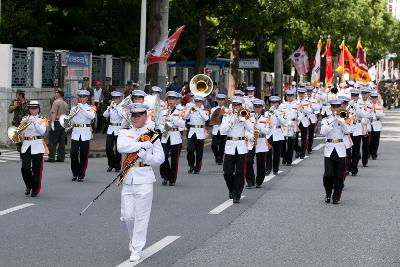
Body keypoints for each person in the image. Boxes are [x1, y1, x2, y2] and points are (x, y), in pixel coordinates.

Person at [117, 103, 164, 262]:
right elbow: (121, 147)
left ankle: (137, 248)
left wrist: (146, 156)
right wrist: (142, 144)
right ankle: (133, 240)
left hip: (144, 178)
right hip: (128, 177)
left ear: (145, 116)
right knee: (127, 216)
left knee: (141, 216)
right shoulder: (124, 132)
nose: (135, 118)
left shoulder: (152, 134)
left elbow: (159, 159)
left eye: (139, 115)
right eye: (133, 115)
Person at [220, 96, 253, 203]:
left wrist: (245, 120)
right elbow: (222, 131)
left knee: (240, 172)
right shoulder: (227, 116)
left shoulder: (244, 115)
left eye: (238, 105)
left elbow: (251, 129)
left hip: (241, 147)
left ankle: (237, 194)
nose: (236, 107)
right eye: (235, 105)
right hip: (230, 146)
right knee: (227, 172)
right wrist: (233, 119)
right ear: (232, 106)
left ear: (241, 106)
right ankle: (232, 189)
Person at [320, 99, 351, 204]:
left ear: (340, 108)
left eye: (337, 107)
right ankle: (328, 194)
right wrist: (333, 121)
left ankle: (336, 196)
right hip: (329, 149)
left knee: (339, 175)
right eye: (334, 107)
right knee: (328, 175)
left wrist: (341, 122)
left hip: (340, 149)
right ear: (331, 108)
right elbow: (323, 132)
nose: (335, 109)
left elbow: (348, 131)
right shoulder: (327, 119)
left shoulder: (344, 117)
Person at [20, 101, 47, 197]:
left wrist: (34, 121)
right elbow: (20, 132)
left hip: (37, 145)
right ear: (29, 109)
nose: (33, 110)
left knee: (37, 169)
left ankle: (35, 189)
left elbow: (42, 132)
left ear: (38, 109)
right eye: (31, 108)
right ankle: (29, 185)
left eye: (35, 108)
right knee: (25, 168)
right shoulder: (24, 119)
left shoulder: (42, 119)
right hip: (26, 145)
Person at [159, 91, 185, 186]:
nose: (171, 101)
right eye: (169, 99)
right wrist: (163, 127)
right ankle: (165, 176)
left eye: (173, 99)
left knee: (174, 159)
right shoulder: (163, 111)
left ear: (176, 101)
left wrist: (172, 119)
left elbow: (182, 125)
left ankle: (172, 179)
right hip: (165, 134)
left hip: (175, 135)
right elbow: (159, 124)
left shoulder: (180, 111)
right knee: (163, 157)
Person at [70, 90, 96, 181]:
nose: (82, 98)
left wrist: (82, 108)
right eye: (80, 96)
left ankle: (81, 173)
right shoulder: (74, 108)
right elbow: (71, 120)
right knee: (73, 153)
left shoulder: (91, 107)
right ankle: (74, 172)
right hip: (76, 132)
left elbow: (92, 117)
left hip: (85, 132)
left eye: (84, 96)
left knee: (84, 154)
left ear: (87, 98)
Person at [246, 99, 271, 188]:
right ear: (253, 108)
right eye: (255, 107)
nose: (257, 109)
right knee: (248, 160)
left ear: (262, 108)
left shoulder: (266, 119)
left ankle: (259, 181)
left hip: (261, 141)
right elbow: (245, 130)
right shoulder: (249, 118)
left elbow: (267, 131)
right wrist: (250, 136)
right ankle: (250, 180)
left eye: (259, 107)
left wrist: (259, 127)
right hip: (251, 141)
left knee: (260, 163)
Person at [184, 95, 209, 174]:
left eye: (199, 101)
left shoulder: (204, 111)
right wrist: (189, 111)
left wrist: (199, 110)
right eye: (196, 101)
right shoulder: (191, 109)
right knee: (190, 149)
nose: (197, 103)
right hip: (192, 132)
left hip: (200, 132)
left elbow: (207, 119)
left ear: (202, 102)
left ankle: (197, 168)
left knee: (199, 152)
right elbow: (185, 117)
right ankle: (191, 165)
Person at [103, 91, 127, 172]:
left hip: (119, 129)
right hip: (111, 129)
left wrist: (117, 108)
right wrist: (110, 107)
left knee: (118, 149)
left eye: (117, 98)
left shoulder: (123, 107)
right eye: (113, 98)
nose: (115, 99)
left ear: (120, 99)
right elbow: (105, 115)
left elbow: (123, 116)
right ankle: (111, 164)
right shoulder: (111, 106)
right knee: (108, 148)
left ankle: (117, 165)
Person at [266, 96, 286, 175]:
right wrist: (270, 113)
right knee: (268, 153)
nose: (273, 104)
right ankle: (268, 169)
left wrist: (276, 113)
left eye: (275, 103)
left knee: (277, 153)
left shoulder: (281, 112)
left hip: (278, 134)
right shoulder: (267, 113)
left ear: (278, 104)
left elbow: (284, 122)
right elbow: (265, 122)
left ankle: (275, 169)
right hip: (269, 133)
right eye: (272, 103)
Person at [47, 89, 69, 162]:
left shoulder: (56, 102)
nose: (55, 94)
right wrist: (66, 126)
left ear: (59, 94)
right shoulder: (65, 103)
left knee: (52, 141)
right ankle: (61, 157)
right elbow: (66, 115)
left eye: (56, 92)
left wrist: (52, 122)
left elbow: (54, 113)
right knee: (61, 142)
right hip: (63, 124)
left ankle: (51, 157)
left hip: (56, 122)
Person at [294, 88, 311, 159]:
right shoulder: (295, 102)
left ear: (305, 94)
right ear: (298, 94)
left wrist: (303, 108)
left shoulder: (307, 102)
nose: (301, 95)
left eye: (302, 93)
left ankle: (302, 154)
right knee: (294, 139)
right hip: (296, 121)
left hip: (304, 120)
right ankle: (298, 150)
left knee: (304, 139)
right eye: (300, 93)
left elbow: (309, 111)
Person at [210, 94, 227, 165]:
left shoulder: (227, 110)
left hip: (223, 130)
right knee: (213, 145)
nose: (220, 101)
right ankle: (217, 156)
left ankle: (220, 159)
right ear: (217, 100)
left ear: (224, 101)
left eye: (222, 100)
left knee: (222, 145)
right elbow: (212, 118)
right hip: (216, 129)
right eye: (219, 100)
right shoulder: (213, 109)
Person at [368, 92, 385, 160]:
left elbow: (382, 115)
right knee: (369, 140)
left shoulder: (380, 106)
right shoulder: (368, 105)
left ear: (377, 98)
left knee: (376, 140)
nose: (374, 99)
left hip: (377, 124)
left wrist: (376, 112)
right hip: (369, 124)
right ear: (371, 98)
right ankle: (368, 153)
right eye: (372, 98)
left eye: (375, 98)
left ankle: (374, 153)